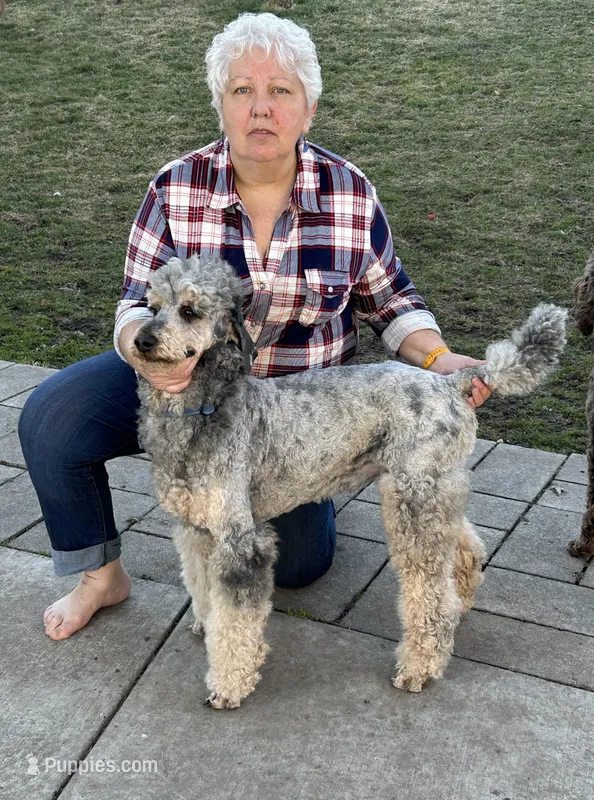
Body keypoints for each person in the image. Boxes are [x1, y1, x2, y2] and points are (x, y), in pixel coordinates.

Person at [18, 12, 491, 642]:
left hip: (296, 417)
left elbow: (393, 304)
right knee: (52, 420)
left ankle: (340, 488)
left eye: (280, 92)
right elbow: (134, 306)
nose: (260, 108)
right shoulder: (174, 187)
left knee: (295, 566)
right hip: (182, 386)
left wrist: (439, 361)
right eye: (243, 90)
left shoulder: (350, 193)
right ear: (221, 105)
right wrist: (149, 353)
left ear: (309, 109)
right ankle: (101, 576)